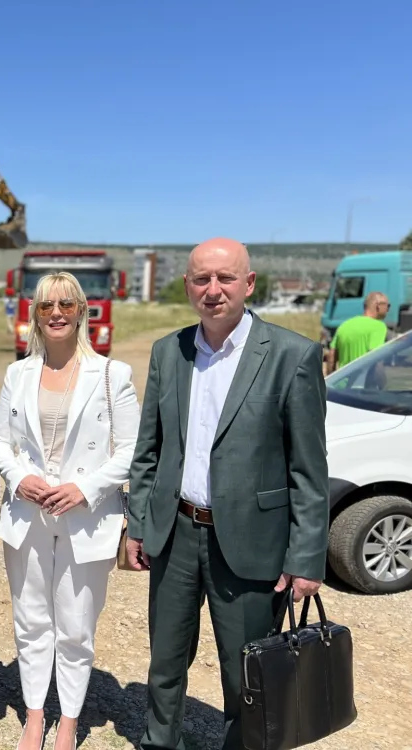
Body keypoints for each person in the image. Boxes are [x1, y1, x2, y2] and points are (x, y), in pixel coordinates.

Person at [127, 237, 330, 750]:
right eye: (201, 279)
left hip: (250, 543)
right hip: (175, 534)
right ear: (188, 285)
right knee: (165, 662)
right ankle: (159, 742)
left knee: (247, 674)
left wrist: (306, 557)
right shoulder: (168, 351)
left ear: (249, 283)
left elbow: (309, 470)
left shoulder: (292, 356)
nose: (213, 290)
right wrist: (138, 524)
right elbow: (149, 449)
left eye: (225, 278)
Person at [0, 272, 140, 750]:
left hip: (86, 517)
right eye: (45, 306)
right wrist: (19, 478)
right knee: (31, 620)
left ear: (82, 312)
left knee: (76, 627)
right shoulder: (18, 374)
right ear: (35, 315)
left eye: (66, 305)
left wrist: (86, 488)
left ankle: (69, 720)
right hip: (28, 514)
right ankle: (35, 715)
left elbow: (133, 449)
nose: (56, 313)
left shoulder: (112, 375)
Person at [325, 291, 390, 372]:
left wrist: (331, 377)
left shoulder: (344, 325)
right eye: (388, 306)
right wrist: (382, 379)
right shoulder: (379, 326)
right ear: (378, 306)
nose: (388, 310)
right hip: (364, 380)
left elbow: (331, 357)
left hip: (344, 380)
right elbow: (376, 360)